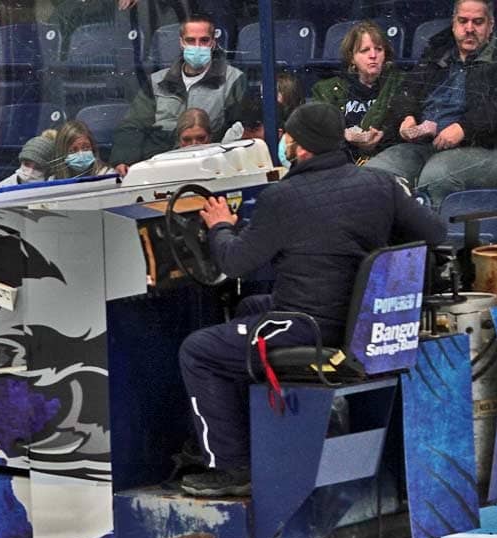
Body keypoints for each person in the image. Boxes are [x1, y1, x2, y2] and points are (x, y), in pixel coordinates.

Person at [178, 102, 445, 497]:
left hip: (311, 327)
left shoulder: (282, 198)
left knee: (199, 350)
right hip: (360, 323)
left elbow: (235, 262)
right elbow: (435, 233)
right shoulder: (381, 184)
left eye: (288, 136)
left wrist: (219, 227)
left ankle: (231, 467)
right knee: (250, 308)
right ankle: (239, 432)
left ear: (300, 147)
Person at [364, 0, 497, 207]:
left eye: (478, 22)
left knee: (436, 177)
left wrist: (464, 128)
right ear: (453, 23)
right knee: (371, 175)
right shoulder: (436, 51)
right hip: (425, 145)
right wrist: (407, 116)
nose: (469, 29)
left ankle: (437, 237)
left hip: (486, 148)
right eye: (463, 21)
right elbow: (408, 91)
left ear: (491, 25)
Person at [110, 13, 245, 167]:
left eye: (204, 40)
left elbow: (239, 127)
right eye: (190, 40)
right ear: (181, 43)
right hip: (160, 163)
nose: (197, 46)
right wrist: (123, 161)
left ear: (213, 43)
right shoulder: (157, 81)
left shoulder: (233, 79)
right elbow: (133, 126)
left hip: (209, 163)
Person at [310, 20, 406, 164]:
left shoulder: (400, 83)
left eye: (379, 49)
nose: (373, 55)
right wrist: (344, 135)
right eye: (365, 50)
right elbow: (319, 131)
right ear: (351, 57)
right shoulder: (326, 89)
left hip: (387, 160)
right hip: (342, 162)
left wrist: (384, 136)